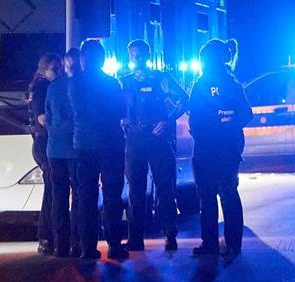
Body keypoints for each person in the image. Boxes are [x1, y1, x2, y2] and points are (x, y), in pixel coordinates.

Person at [119, 39, 187, 251]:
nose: (136, 58)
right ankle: (135, 238)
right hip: (134, 140)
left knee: (164, 188)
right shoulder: (123, 81)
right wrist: (120, 119)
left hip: (157, 138)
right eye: (132, 54)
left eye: (140, 54)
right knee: (135, 191)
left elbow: (184, 98)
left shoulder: (161, 79)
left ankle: (169, 234)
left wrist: (168, 120)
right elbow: (114, 106)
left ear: (147, 56)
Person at [187, 39, 253, 257]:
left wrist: (207, 131)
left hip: (208, 149)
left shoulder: (201, 85)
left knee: (207, 197)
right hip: (229, 148)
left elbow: (193, 117)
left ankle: (210, 244)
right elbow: (246, 114)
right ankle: (233, 244)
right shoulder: (233, 85)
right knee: (228, 193)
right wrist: (228, 123)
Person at [69, 39, 128, 261]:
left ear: (83, 58)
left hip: (83, 144)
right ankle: (114, 245)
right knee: (112, 195)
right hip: (111, 143)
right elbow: (121, 110)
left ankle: (87, 247)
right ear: (102, 59)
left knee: (86, 196)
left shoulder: (74, 83)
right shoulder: (111, 83)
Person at [44, 48, 81, 257]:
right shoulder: (82, 86)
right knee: (78, 195)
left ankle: (60, 244)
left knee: (58, 196)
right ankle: (77, 243)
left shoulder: (53, 87)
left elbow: (48, 116)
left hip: (54, 148)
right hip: (76, 148)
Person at [28, 53, 63, 255]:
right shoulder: (42, 88)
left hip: (43, 143)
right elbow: (42, 118)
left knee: (52, 190)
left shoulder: (41, 87)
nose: (58, 73)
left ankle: (48, 237)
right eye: (54, 69)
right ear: (43, 70)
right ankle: (46, 236)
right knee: (51, 191)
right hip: (45, 143)